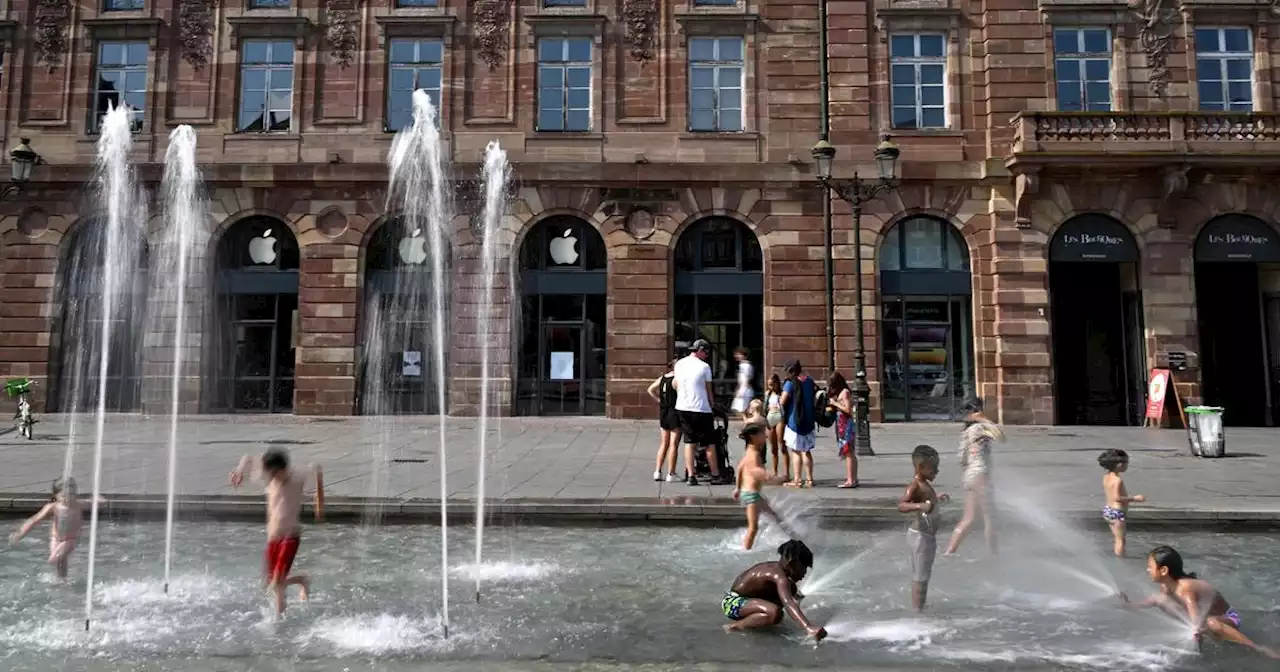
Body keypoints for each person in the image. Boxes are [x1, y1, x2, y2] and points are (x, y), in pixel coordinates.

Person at [1120, 546, 1279, 659]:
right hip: (1203, 618)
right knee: (1161, 600)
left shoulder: (1185, 587)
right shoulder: (1166, 587)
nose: (1147, 570)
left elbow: (1194, 610)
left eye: (1150, 566)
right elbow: (1153, 600)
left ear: (1164, 570)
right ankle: (1201, 643)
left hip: (1228, 618)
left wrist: (1195, 629)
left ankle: (1257, 648)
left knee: (1210, 622)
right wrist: (1129, 605)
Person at [229, 449, 325, 617]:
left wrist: (319, 498)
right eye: (269, 473)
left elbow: (317, 468)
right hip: (273, 538)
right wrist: (239, 470)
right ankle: (301, 579)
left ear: (283, 469)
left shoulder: (298, 476)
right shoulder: (268, 476)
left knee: (278, 583)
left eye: (274, 473)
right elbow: (248, 457)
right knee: (269, 583)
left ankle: (278, 622)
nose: (271, 477)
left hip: (290, 536)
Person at [722, 539, 827, 641]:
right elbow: (788, 603)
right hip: (732, 603)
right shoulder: (778, 576)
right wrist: (807, 626)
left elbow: (790, 599)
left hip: (748, 601)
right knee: (774, 612)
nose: (805, 573)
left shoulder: (780, 573)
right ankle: (735, 626)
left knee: (792, 590)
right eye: (804, 567)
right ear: (793, 562)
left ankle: (756, 618)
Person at [944, 398, 1002, 556]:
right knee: (990, 518)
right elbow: (1001, 436)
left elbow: (961, 459)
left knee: (969, 519)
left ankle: (949, 552)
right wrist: (983, 419)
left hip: (970, 476)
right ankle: (994, 555)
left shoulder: (966, 432)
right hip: (981, 475)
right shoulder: (980, 428)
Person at [8, 477, 94, 580]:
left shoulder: (79, 505)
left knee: (54, 558)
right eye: (64, 495)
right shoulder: (53, 507)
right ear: (56, 496)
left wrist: (98, 499)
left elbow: (92, 502)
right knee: (60, 562)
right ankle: (63, 580)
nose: (68, 498)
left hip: (71, 539)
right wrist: (20, 533)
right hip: (55, 539)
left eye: (71, 494)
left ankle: (63, 577)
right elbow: (34, 520)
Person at [897, 446, 950, 611]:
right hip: (920, 537)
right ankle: (918, 611)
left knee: (924, 574)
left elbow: (928, 501)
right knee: (920, 576)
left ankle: (921, 605)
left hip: (925, 537)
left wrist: (937, 498)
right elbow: (902, 505)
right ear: (921, 468)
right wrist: (920, 506)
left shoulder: (924, 485)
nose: (937, 471)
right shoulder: (915, 485)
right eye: (934, 468)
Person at [674, 339, 726, 485]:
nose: (707, 355)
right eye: (706, 352)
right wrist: (713, 404)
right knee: (709, 443)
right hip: (701, 408)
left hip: (683, 407)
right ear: (701, 350)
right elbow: (708, 391)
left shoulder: (679, 364)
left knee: (689, 442)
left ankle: (691, 476)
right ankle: (715, 474)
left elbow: (676, 385)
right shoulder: (704, 367)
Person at [732, 423, 790, 550]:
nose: (766, 437)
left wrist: (737, 487)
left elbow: (740, 468)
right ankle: (745, 551)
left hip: (752, 494)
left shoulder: (749, 451)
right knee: (753, 528)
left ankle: (793, 539)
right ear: (753, 437)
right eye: (763, 434)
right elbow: (758, 473)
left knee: (775, 517)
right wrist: (779, 479)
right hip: (751, 496)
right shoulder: (754, 455)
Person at [1098, 449, 1146, 557]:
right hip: (1117, 513)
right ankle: (1121, 560)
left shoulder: (1106, 477)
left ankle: (1118, 556)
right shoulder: (1117, 480)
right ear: (1119, 465)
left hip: (1108, 510)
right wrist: (1135, 498)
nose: (1127, 466)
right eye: (1126, 463)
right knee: (1121, 541)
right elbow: (1117, 498)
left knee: (1117, 539)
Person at [780, 360, 817, 488]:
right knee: (806, 450)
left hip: (794, 420)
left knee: (796, 451)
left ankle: (797, 480)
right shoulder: (809, 381)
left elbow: (782, 401)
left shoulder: (790, 383)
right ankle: (810, 479)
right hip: (809, 419)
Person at [646, 358, 682, 482]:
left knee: (664, 443)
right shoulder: (677, 380)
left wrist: (659, 400)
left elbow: (650, 389)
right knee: (673, 444)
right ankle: (670, 473)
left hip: (663, 412)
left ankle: (657, 471)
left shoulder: (662, 378)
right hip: (674, 412)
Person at [827, 372, 857, 489]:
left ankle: (850, 480)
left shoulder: (845, 392)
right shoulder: (841, 392)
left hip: (846, 425)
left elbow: (848, 410)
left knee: (849, 452)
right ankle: (853, 478)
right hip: (842, 424)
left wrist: (835, 403)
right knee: (849, 452)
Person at [764, 373, 789, 481]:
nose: (771, 387)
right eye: (769, 385)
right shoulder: (768, 393)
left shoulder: (782, 393)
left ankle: (786, 473)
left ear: (777, 383)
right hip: (770, 418)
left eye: (772, 384)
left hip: (779, 417)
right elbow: (765, 408)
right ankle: (774, 471)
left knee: (782, 445)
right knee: (773, 448)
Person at [730, 347, 755, 419]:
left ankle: (748, 424)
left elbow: (746, 379)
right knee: (740, 410)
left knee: (742, 410)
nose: (736, 356)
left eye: (739, 354)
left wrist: (742, 391)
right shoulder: (742, 365)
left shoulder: (746, 366)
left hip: (745, 391)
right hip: (743, 390)